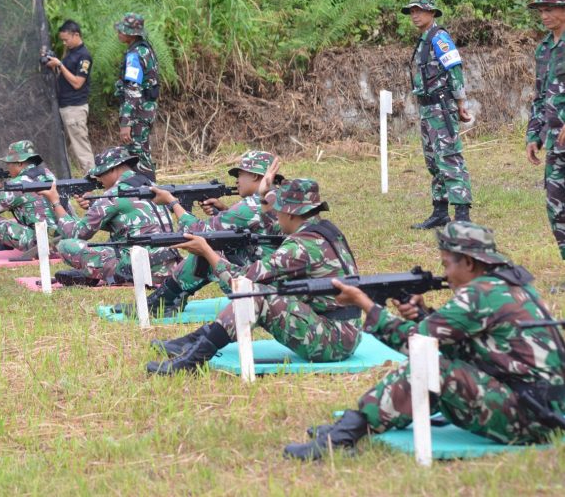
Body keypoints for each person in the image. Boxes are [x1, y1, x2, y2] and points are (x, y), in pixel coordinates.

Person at [284, 221, 565, 461]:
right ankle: (355, 426)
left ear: (468, 262)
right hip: (545, 411)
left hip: (530, 419)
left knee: (432, 366)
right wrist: (424, 315)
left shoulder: (480, 293)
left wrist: (367, 307)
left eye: (446, 264)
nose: (445, 274)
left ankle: (345, 435)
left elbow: (416, 345)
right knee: (437, 360)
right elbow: (471, 344)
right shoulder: (512, 286)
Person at [146, 178, 362, 375]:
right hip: (342, 331)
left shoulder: (301, 247)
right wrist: (263, 193)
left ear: (290, 214)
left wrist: (207, 252)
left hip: (334, 341)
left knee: (253, 292)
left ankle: (193, 360)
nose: (274, 216)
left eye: (278, 211)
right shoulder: (323, 230)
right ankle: (193, 343)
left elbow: (240, 282)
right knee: (260, 291)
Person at [116, 150, 284, 317]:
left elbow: (197, 232)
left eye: (240, 174)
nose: (237, 181)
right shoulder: (280, 198)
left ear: (255, 176)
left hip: (262, 286)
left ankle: (161, 302)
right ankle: (170, 298)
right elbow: (259, 228)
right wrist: (224, 211)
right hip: (278, 278)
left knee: (205, 249)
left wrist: (172, 202)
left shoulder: (251, 205)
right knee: (215, 245)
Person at [39, 146, 180, 286]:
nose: (99, 179)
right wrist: (95, 203)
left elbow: (75, 233)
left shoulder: (114, 194)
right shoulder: (152, 185)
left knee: (66, 245)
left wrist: (56, 203)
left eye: (100, 174)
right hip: (169, 265)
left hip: (139, 268)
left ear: (113, 169)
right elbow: (127, 221)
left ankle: (118, 276)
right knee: (110, 241)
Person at [402, 0, 473, 229]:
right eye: (412, 11)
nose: (415, 15)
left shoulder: (439, 37)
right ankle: (440, 212)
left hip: (441, 107)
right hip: (427, 108)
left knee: (449, 157)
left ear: (431, 12)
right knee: (433, 162)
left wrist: (461, 103)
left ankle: (462, 215)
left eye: (419, 10)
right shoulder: (424, 38)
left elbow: (455, 69)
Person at [525, 0, 565, 264]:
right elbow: (539, 96)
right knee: (557, 207)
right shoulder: (544, 49)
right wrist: (533, 135)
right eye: (541, 10)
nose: (544, 15)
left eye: (549, 8)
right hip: (554, 141)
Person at [114, 12, 160, 180]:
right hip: (145, 110)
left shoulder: (134, 55)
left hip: (138, 112)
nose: (119, 33)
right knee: (139, 152)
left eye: (122, 30)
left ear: (130, 34)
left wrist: (126, 122)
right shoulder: (145, 49)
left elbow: (133, 90)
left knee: (139, 155)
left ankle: (149, 193)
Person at [45, 20, 95, 172]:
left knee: (81, 145)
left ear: (76, 35)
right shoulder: (70, 53)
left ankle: (93, 178)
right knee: (72, 146)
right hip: (65, 105)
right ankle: (83, 175)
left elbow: (77, 83)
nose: (64, 43)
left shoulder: (84, 56)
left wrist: (60, 65)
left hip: (75, 107)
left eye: (66, 40)